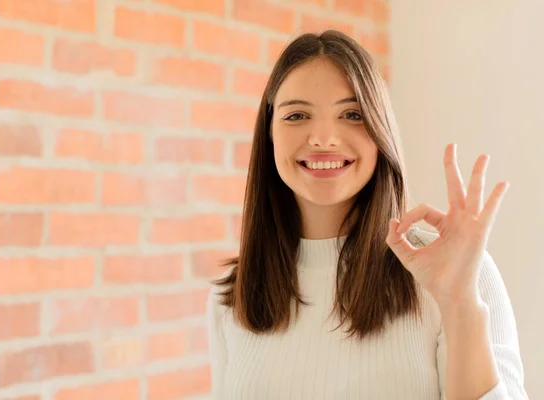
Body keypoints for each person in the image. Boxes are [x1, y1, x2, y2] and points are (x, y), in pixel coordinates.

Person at [206, 30, 527, 399]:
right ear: (270, 134)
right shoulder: (231, 296)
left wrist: (458, 302)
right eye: (297, 115)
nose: (323, 138)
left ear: (380, 132)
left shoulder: (457, 273)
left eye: (352, 114)